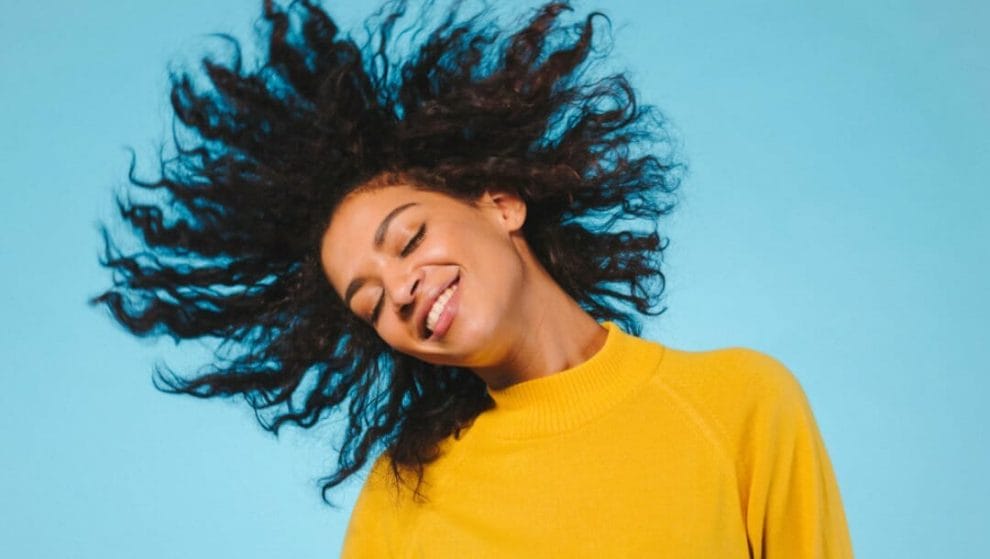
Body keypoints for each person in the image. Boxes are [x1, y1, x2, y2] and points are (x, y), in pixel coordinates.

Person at [95, 0, 854, 556]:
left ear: (501, 202)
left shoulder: (740, 406)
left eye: (410, 237)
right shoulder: (405, 495)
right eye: (371, 302)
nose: (401, 290)